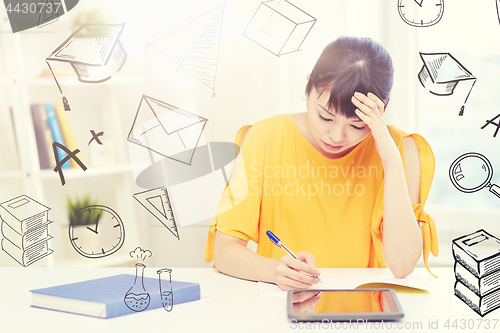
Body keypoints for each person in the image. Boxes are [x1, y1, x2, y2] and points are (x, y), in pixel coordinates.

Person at [204, 36, 438, 291]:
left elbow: (402, 265)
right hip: (281, 308)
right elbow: (225, 250)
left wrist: (391, 160)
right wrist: (275, 271)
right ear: (309, 87)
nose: (337, 137)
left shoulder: (403, 150)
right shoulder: (264, 138)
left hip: (365, 309)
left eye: (358, 125)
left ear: (382, 109)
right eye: (325, 117)